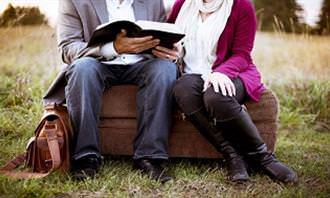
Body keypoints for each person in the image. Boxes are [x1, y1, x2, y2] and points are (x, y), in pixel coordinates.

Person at [153, 0, 298, 183]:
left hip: (232, 71)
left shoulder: (241, 5)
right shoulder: (182, 4)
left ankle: (263, 157)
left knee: (216, 96)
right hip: (193, 74)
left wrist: (221, 73)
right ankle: (233, 156)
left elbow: (242, 53)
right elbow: (170, 39)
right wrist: (170, 52)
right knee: (182, 89)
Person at [43, 0, 177, 182]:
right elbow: (67, 48)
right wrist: (113, 48)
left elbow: (163, 39)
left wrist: (169, 51)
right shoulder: (74, 2)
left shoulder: (153, 2)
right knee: (83, 68)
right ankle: (86, 158)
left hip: (142, 64)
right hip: (98, 63)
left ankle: (149, 158)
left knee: (165, 69)